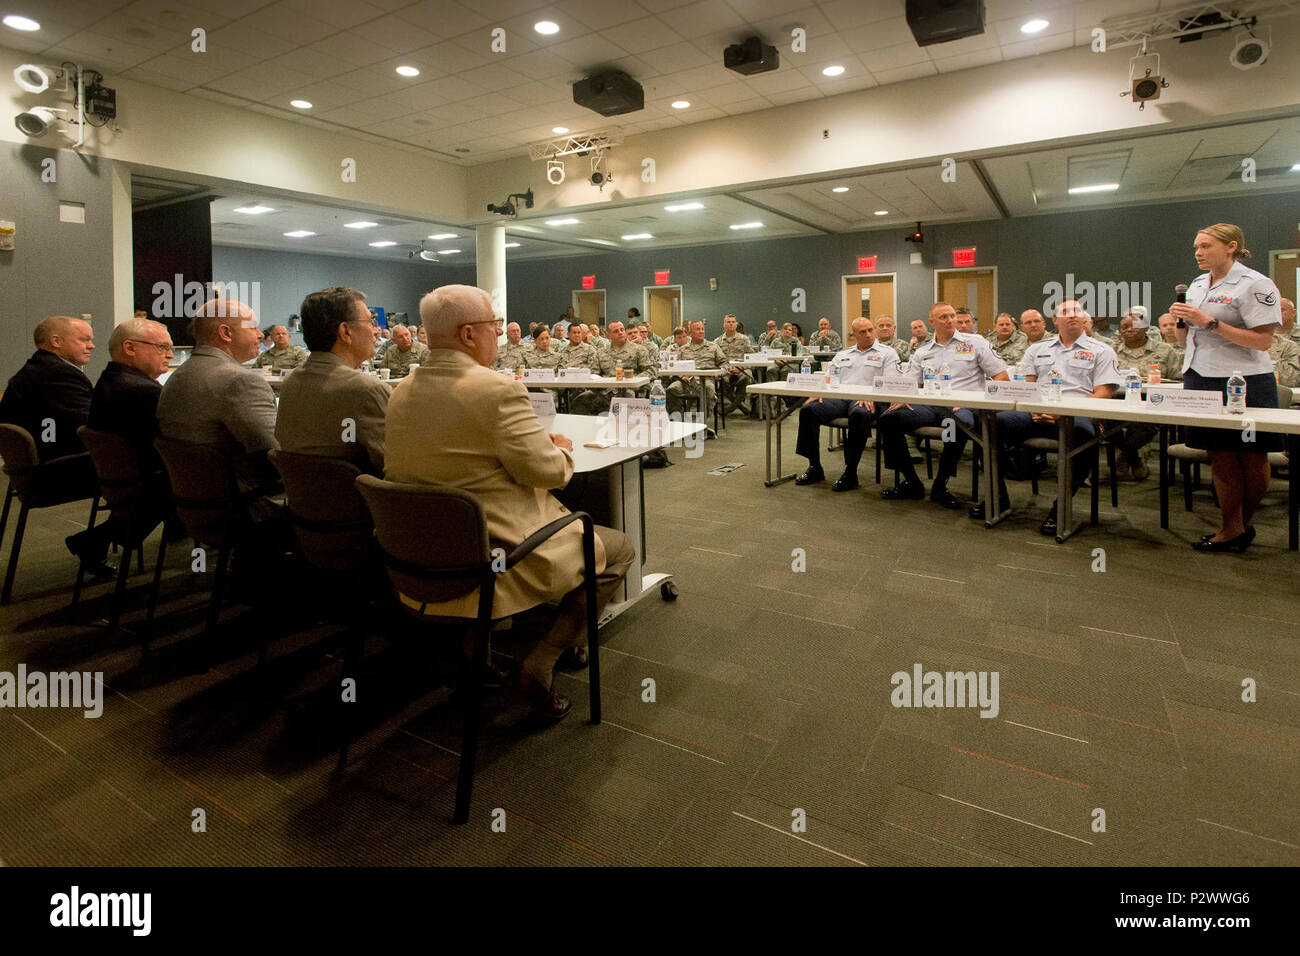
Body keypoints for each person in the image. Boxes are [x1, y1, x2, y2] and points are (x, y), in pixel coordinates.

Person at [384, 285, 634, 718]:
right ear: (467, 335)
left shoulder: (402, 390)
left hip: (420, 554)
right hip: (498, 554)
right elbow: (549, 473)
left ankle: (473, 654)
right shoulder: (496, 390)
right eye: (493, 327)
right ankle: (541, 662)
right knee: (619, 549)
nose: (498, 336)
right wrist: (558, 447)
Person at [1172, 223, 1283, 552]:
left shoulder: (1254, 284)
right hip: (1200, 374)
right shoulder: (1195, 285)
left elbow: (1263, 341)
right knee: (1219, 455)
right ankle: (1231, 527)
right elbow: (1186, 339)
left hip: (1244, 377)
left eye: (1206, 246)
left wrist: (1210, 322)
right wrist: (1183, 321)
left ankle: (1239, 525)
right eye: (1196, 247)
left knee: (1251, 455)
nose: (1198, 252)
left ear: (1231, 246)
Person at [994, 299, 1123, 533]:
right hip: (1036, 413)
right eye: (1065, 312)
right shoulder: (1037, 350)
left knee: (1085, 436)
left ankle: (1060, 507)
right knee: (994, 424)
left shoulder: (1102, 351)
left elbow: (1104, 394)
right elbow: (1027, 386)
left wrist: (1060, 413)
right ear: (1055, 320)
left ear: (1084, 319)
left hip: (1078, 414)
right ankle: (998, 498)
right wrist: (1033, 408)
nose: (1072, 315)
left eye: (1077, 311)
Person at [0, 315, 113, 574]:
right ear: (56, 342)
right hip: (54, 474)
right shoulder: (56, 374)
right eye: (84, 339)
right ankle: (93, 541)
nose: (92, 345)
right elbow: (90, 428)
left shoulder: (37, 370)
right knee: (150, 474)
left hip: (37, 471)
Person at [157, 298, 282, 518]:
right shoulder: (240, 381)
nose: (261, 335)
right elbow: (275, 459)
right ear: (226, 333)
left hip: (198, 503)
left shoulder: (177, 378)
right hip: (251, 509)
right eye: (253, 327)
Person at [879, 303, 1009, 510]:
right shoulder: (923, 351)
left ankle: (941, 483)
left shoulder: (975, 343)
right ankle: (911, 481)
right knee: (888, 417)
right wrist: (902, 396)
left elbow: (1001, 376)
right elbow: (913, 383)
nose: (949, 320)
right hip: (931, 405)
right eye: (943, 317)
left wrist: (982, 403)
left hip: (964, 405)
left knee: (957, 424)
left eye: (951, 316)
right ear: (932, 322)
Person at [275, 286, 389, 474]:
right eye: (371, 322)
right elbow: (395, 467)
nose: (376, 331)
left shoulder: (290, 383)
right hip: (359, 500)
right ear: (345, 332)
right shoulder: (367, 390)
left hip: (304, 500)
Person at [88, 317, 178, 538]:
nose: (170, 355)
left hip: (122, 478)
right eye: (163, 347)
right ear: (130, 347)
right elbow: (176, 440)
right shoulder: (141, 390)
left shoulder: (110, 379)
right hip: (149, 481)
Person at [793, 317, 899, 491]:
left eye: (870, 330)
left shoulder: (887, 353)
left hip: (871, 399)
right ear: (854, 335)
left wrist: (870, 394)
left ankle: (851, 472)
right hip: (841, 398)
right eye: (863, 332)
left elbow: (890, 382)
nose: (868, 334)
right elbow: (828, 376)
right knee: (808, 410)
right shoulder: (843, 354)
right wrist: (818, 392)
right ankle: (815, 467)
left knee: (859, 414)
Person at [1110, 312, 1180, 481]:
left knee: (1144, 421)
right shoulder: (1111, 351)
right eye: (1124, 327)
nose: (1129, 330)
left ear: (1146, 328)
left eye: (1134, 326)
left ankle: (1125, 456)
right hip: (1118, 400)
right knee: (1102, 420)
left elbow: (1178, 380)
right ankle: (1134, 457)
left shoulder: (1164, 350)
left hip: (1153, 401)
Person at [571, 321, 654, 415]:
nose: (620, 332)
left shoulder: (638, 349)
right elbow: (594, 374)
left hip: (628, 390)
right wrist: (600, 388)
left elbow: (651, 370)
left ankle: (625, 428)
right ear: (609, 335)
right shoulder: (601, 352)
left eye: (622, 329)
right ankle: (591, 427)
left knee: (627, 398)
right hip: (604, 391)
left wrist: (635, 381)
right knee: (580, 400)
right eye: (616, 331)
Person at [665, 320, 726, 422]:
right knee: (671, 390)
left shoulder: (713, 347)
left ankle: (701, 423)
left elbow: (725, 364)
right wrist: (680, 376)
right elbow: (674, 368)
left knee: (708, 390)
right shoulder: (683, 350)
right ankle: (679, 421)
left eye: (702, 329)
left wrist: (718, 373)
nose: (701, 331)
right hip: (686, 381)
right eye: (698, 329)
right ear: (690, 333)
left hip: (706, 380)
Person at [713, 314, 753, 416]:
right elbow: (714, 360)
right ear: (724, 325)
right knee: (721, 381)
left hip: (742, 368)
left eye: (733, 322)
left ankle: (729, 408)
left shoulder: (744, 339)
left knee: (746, 378)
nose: (730, 324)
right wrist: (726, 368)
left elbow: (751, 357)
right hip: (725, 369)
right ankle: (742, 406)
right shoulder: (717, 341)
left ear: (736, 325)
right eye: (728, 322)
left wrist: (741, 368)